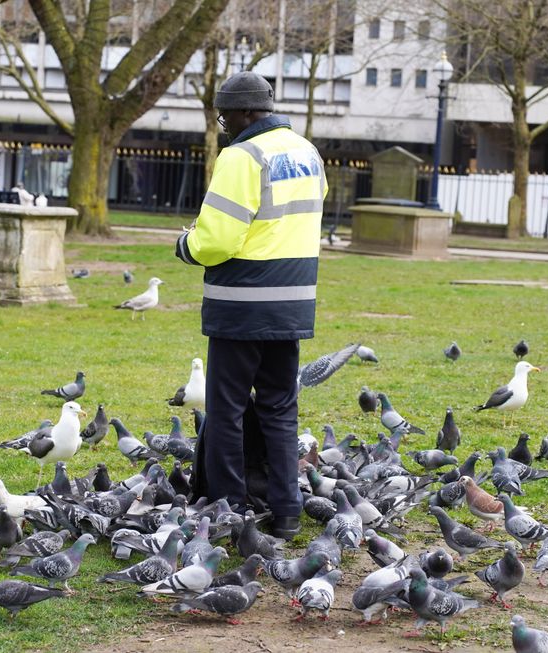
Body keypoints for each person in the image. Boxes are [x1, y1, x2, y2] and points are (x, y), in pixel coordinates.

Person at [174, 71, 328, 540]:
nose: (224, 125)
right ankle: (286, 510)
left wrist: (186, 244)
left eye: (225, 117)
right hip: (293, 304)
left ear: (244, 112)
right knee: (280, 409)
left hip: (242, 304)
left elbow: (218, 239)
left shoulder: (242, 156)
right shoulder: (307, 151)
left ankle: (229, 508)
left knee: (228, 409)